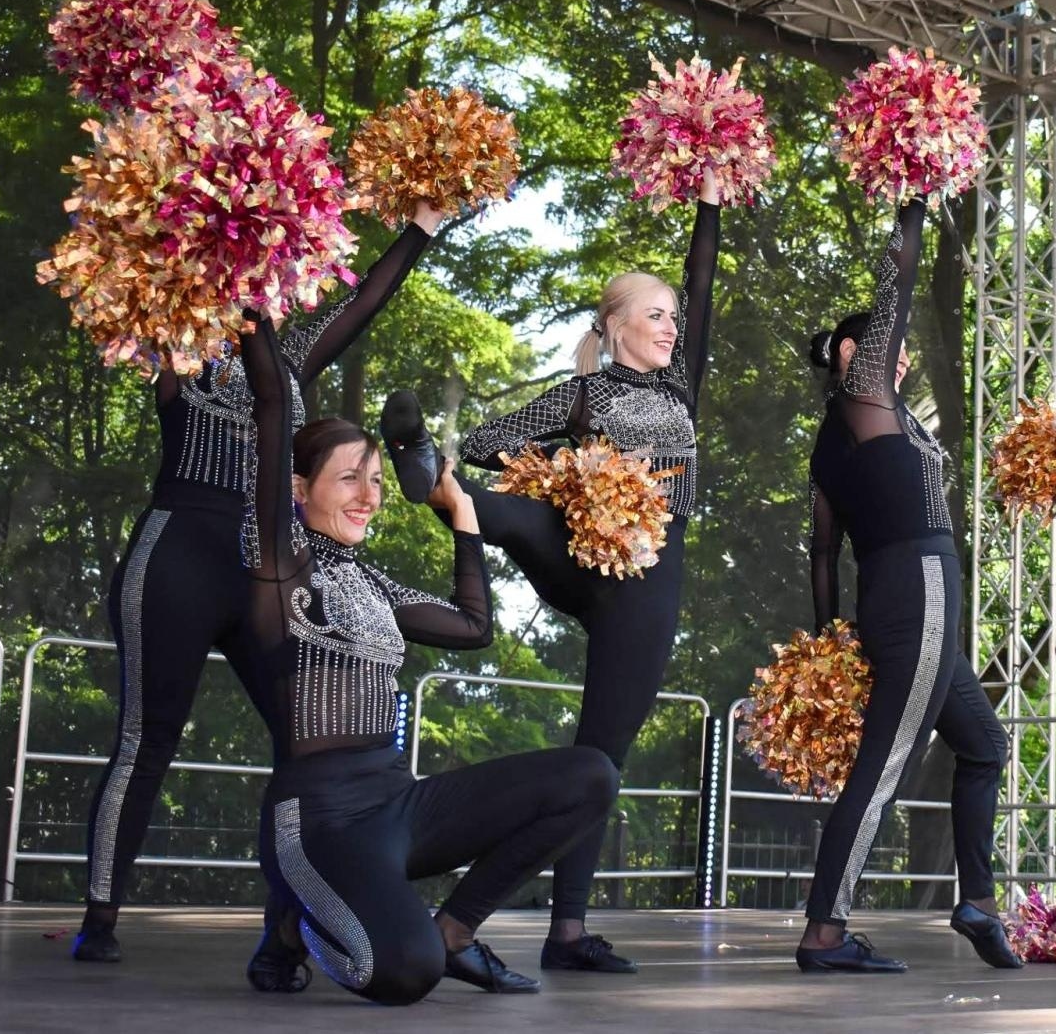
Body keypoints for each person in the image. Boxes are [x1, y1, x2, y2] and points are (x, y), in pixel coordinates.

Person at [76, 206, 443, 982]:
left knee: (304, 740)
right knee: (148, 735)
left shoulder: (287, 354)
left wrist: (422, 224)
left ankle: (285, 931)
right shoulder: (179, 339)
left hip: (268, 568)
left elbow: (365, 299)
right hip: (178, 552)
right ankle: (99, 914)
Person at [380, 171, 721, 973]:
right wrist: (567, 479)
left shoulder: (679, 385)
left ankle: (567, 932)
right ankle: (426, 472)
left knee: (599, 756)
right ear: (615, 324)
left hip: (646, 577)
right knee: (510, 509)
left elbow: (704, 283)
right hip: (576, 553)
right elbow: (490, 441)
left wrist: (708, 200)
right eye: (654, 314)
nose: (671, 325)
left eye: (673, 316)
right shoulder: (581, 396)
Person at [240, 310, 618, 1005]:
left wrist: (462, 515)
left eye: (376, 480)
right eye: (349, 479)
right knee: (404, 972)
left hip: (399, 804)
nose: (369, 496)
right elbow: (270, 405)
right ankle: (293, 921)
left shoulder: (372, 583)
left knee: (591, 776)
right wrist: (249, 286)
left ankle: (456, 930)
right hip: (319, 821)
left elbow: (473, 627)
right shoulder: (278, 568)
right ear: (296, 489)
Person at [808, 308, 1019, 971]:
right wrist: (911, 215)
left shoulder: (842, 429)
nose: (902, 358)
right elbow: (895, 283)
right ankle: (824, 933)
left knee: (986, 744)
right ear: (851, 352)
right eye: (890, 345)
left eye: (904, 348)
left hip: (907, 598)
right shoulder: (863, 405)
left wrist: (829, 639)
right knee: (884, 767)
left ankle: (977, 901)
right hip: (916, 589)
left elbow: (822, 552)